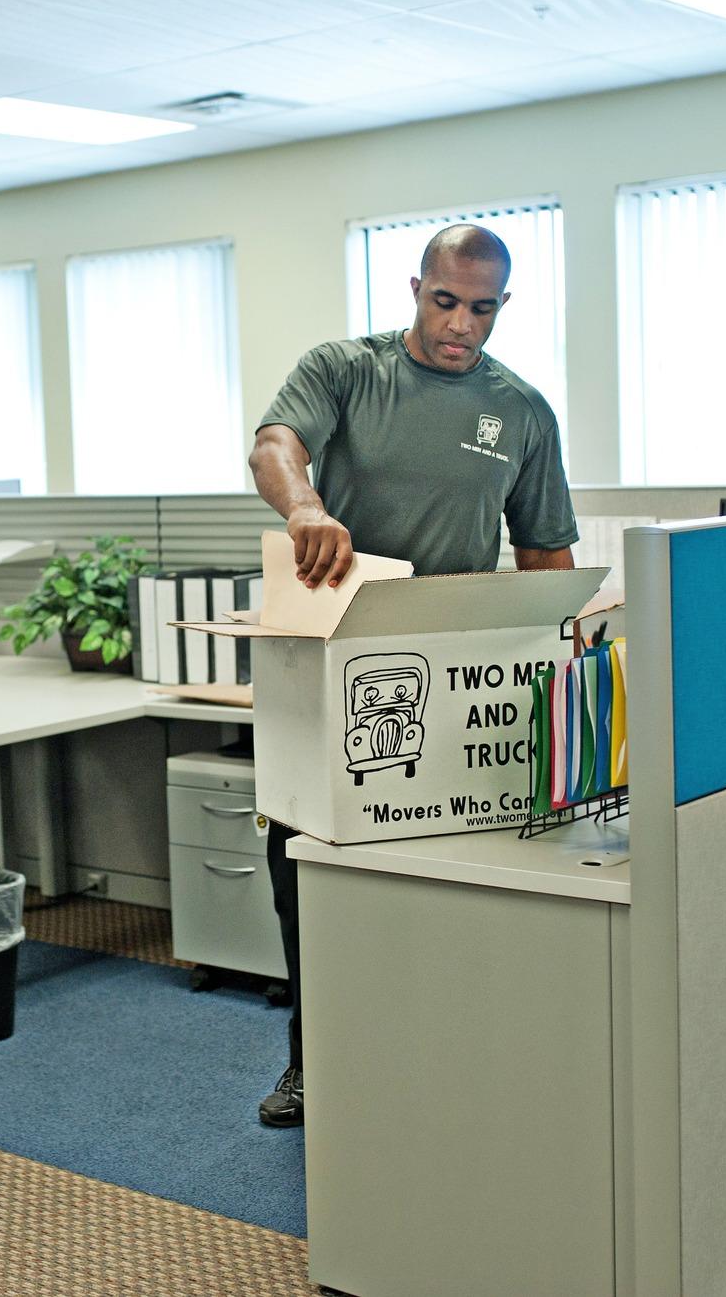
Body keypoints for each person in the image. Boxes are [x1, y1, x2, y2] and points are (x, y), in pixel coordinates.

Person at [245, 224, 579, 1128]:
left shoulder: (521, 411)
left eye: (481, 309)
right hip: (331, 663)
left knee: (438, 878)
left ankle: (441, 1056)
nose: (459, 325)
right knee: (305, 868)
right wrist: (307, 507)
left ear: (502, 307)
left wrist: (558, 671)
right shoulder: (348, 371)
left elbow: (547, 552)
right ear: (415, 287)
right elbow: (276, 443)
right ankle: (312, 1064)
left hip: (452, 677)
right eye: (444, 301)